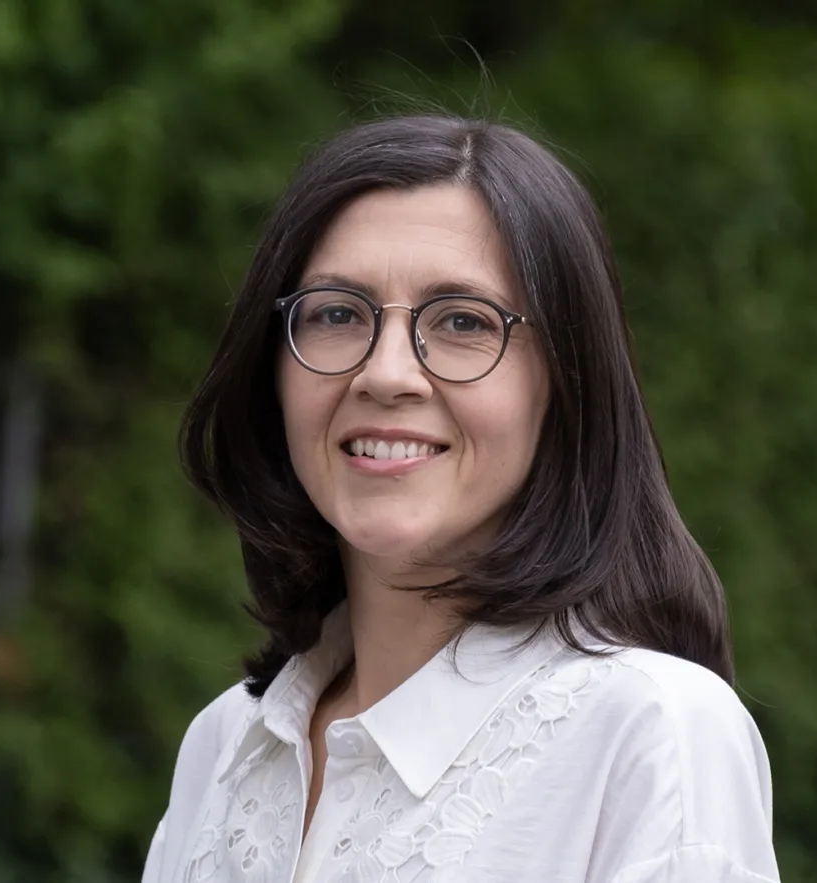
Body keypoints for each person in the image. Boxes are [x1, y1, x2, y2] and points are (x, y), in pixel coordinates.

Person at [143, 114, 780, 883]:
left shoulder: (653, 732)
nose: (386, 373)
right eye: (338, 313)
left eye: (462, 322)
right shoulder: (225, 744)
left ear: (565, 382)